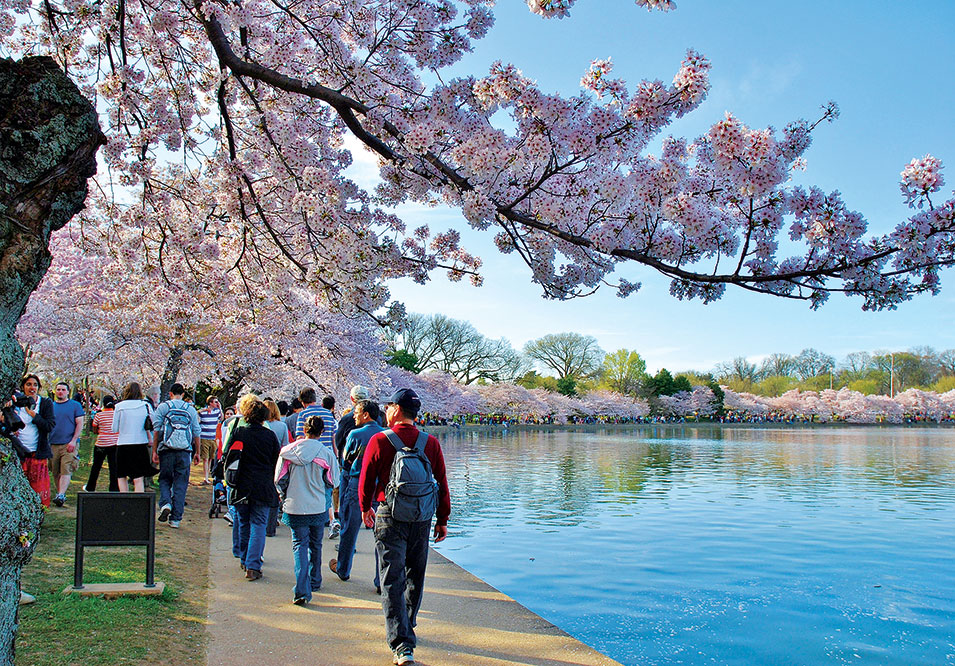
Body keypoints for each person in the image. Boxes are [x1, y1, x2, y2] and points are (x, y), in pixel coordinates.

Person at [359, 388, 451, 666]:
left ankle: (401, 645)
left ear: (397, 410)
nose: (385, 410)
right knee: (415, 574)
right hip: (422, 518)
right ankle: (408, 624)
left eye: (388, 406)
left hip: (389, 515)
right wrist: (443, 519)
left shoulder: (380, 440)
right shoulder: (430, 442)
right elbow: (442, 484)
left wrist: (365, 508)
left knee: (391, 578)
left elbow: (366, 480)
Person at [277, 415, 339, 605]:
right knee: (316, 544)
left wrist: (285, 494)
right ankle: (315, 580)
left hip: (295, 504)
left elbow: (279, 479)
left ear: (303, 430)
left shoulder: (287, 452)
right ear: (322, 432)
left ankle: (301, 589)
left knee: (299, 545)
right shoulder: (327, 454)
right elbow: (334, 481)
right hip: (317, 505)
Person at [330, 399, 382, 583]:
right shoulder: (386, 435)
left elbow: (346, 462)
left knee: (349, 529)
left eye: (357, 412)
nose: (354, 416)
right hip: (379, 487)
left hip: (357, 483)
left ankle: (343, 568)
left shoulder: (355, 434)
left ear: (366, 414)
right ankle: (380, 579)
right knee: (381, 534)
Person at [229, 397, 280, 580]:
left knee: (243, 522)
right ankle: (253, 565)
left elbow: (230, 457)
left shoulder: (239, 433)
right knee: (258, 524)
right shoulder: (270, 436)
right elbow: (276, 461)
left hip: (242, 483)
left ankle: (244, 559)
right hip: (263, 484)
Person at [151, 383, 201, 529]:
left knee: (165, 478)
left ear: (170, 393)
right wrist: (197, 452)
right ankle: (176, 519)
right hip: (185, 451)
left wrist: (155, 450)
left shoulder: (163, 407)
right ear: (183, 394)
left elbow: (157, 430)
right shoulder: (190, 409)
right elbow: (197, 432)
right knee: (181, 483)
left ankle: (166, 503)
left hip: (166, 449)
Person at [296, 388, 338, 531]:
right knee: (326, 487)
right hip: (327, 455)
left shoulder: (303, 414)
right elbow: (333, 438)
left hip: (309, 456)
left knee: (308, 486)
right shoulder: (328, 414)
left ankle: (312, 517)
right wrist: (335, 455)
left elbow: (300, 437)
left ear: (302, 402)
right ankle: (331, 520)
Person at [12, 374, 55, 507]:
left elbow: (49, 425)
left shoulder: (45, 403)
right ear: (23, 387)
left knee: (38, 488)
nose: (32, 388)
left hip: (37, 452)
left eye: (35, 385)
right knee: (17, 487)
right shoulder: (15, 403)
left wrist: (34, 415)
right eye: (28, 384)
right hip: (19, 452)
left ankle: (38, 513)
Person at [111, 381, 158, 492]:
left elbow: (114, 429)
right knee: (138, 477)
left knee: (121, 475)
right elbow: (155, 422)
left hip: (123, 443)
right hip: (140, 444)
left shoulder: (119, 406)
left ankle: (124, 501)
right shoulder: (146, 405)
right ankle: (139, 501)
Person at [49, 381, 85, 506]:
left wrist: (74, 440)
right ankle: (59, 493)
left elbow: (80, 423)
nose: (60, 392)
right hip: (53, 443)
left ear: (68, 392)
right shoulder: (51, 406)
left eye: (63, 389)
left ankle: (61, 494)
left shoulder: (75, 405)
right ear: (55, 391)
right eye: (58, 389)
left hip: (69, 443)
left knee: (66, 468)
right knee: (55, 470)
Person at [264, 398, 290, 536]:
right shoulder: (282, 426)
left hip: (262, 460)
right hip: (276, 461)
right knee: (274, 493)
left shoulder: (262, 425)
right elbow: (285, 445)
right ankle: (271, 525)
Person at [85, 395, 119, 492]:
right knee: (113, 467)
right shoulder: (116, 415)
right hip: (114, 444)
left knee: (96, 466)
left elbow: (95, 429)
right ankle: (114, 488)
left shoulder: (99, 415)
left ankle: (90, 487)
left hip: (101, 444)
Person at [198, 396, 222, 485]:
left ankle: (207, 476)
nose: (217, 403)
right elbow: (196, 414)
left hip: (213, 437)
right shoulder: (203, 412)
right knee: (205, 458)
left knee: (211, 459)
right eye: (215, 402)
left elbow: (221, 418)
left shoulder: (216, 412)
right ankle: (206, 477)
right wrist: (203, 410)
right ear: (210, 403)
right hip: (204, 437)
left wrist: (220, 408)